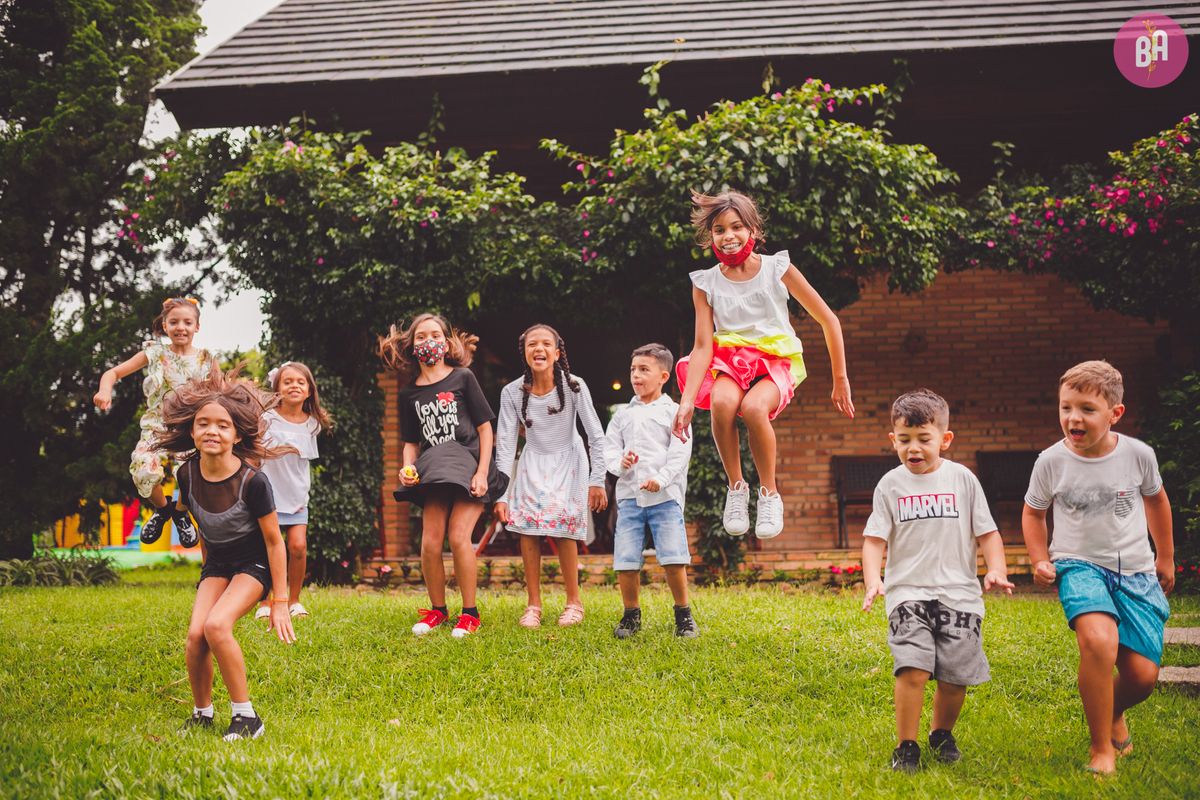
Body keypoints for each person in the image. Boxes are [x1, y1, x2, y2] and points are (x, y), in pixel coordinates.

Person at [673, 189, 854, 540]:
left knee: (754, 409)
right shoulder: (705, 282)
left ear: (753, 230)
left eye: (737, 227)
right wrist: (684, 402)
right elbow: (702, 344)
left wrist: (840, 378)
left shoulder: (777, 269)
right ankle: (737, 489)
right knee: (723, 403)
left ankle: (769, 494)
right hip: (730, 358)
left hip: (775, 359)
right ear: (709, 235)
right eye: (719, 229)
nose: (728, 236)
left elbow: (829, 319)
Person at [1022, 361, 1174, 776]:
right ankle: (1101, 748)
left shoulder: (1138, 455)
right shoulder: (1051, 461)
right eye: (1066, 407)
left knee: (1142, 676)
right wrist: (1039, 558)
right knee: (1098, 641)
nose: (1073, 417)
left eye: (1087, 409)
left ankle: (1111, 711)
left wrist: (1165, 557)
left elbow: (1157, 502)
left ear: (1114, 414)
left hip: (1136, 570)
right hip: (1078, 563)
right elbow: (1034, 513)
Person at [861, 389, 1013, 774]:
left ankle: (941, 734)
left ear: (944, 440)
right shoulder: (890, 485)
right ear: (892, 439)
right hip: (907, 592)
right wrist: (873, 580)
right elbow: (874, 539)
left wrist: (996, 568)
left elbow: (988, 532)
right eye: (904, 439)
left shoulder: (963, 479)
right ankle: (906, 746)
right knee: (912, 667)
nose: (914, 448)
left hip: (960, 595)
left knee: (953, 676)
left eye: (923, 439)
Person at [153, 362, 297, 741]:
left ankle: (247, 717)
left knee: (218, 627)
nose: (211, 430)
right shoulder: (186, 474)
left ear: (236, 434)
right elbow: (192, 518)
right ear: (192, 430)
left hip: (254, 564)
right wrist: (168, 517)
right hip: (218, 562)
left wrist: (279, 600)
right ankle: (202, 714)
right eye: (203, 423)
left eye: (222, 424)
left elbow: (274, 542)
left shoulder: (253, 482)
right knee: (196, 635)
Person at [383, 314, 507, 638]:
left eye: (435, 334)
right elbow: (411, 444)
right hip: (436, 471)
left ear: (446, 342)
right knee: (429, 542)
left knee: (458, 538)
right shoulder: (408, 393)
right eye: (421, 336)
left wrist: (482, 472)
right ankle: (438, 610)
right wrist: (408, 468)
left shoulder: (463, 378)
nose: (429, 341)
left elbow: (485, 428)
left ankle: (470, 614)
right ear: (412, 346)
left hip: (469, 468)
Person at [494, 324, 608, 628]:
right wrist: (502, 494)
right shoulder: (511, 393)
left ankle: (574, 603)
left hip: (569, 461)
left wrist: (598, 479)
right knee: (528, 529)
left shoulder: (574, 386)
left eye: (546, 344)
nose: (539, 349)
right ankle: (533, 605)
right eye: (532, 344)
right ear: (525, 353)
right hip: (533, 461)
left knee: (563, 527)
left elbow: (596, 435)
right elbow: (505, 446)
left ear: (557, 353)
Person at [93, 298, 213, 546]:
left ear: (197, 327)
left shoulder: (206, 359)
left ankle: (181, 513)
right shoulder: (155, 353)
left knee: (194, 475)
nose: (181, 327)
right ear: (165, 326)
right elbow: (113, 372)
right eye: (174, 322)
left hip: (191, 427)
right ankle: (162, 510)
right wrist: (105, 390)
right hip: (157, 425)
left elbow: (222, 391)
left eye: (187, 322)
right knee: (143, 468)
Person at [603, 343, 698, 638]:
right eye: (633, 369)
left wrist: (662, 478)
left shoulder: (674, 412)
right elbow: (609, 451)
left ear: (663, 377)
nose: (636, 375)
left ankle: (683, 616)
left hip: (664, 499)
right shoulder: (621, 416)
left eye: (644, 370)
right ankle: (631, 616)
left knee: (673, 557)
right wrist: (621, 463)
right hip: (630, 498)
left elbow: (680, 451)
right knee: (626, 559)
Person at [253, 361, 330, 621]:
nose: (294, 386)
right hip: (267, 498)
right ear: (277, 389)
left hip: (297, 497)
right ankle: (264, 600)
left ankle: (294, 600)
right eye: (287, 382)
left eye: (300, 382)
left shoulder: (313, 424)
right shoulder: (265, 419)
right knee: (266, 548)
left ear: (309, 391)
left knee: (297, 547)